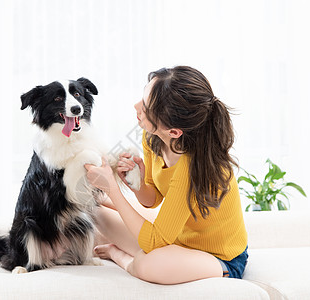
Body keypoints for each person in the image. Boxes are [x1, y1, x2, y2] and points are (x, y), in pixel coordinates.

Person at [84, 66, 248, 284]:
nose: (136, 107)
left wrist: (112, 189)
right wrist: (138, 183)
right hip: (177, 239)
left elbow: (154, 241)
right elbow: (152, 200)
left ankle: (122, 258)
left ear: (174, 132)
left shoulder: (191, 168)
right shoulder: (153, 137)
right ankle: (134, 252)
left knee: (146, 263)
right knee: (96, 210)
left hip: (219, 257)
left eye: (146, 108)